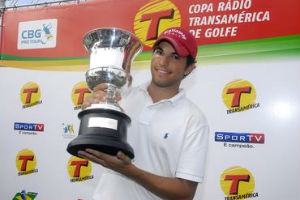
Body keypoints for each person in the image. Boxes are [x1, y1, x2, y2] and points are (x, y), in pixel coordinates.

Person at [78, 27, 209, 200]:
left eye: (175, 56)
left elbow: (185, 193)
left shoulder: (194, 119)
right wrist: (92, 108)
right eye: (159, 52)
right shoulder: (120, 96)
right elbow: (93, 142)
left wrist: (129, 170)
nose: (163, 62)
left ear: (189, 68)